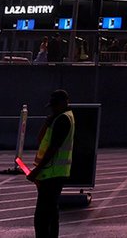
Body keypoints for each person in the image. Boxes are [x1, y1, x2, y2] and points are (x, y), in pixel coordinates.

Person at [27, 89, 75, 238]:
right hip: (53, 172)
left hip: (52, 173)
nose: (53, 108)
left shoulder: (63, 120)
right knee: (51, 213)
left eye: (55, 105)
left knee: (42, 216)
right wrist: (48, 122)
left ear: (64, 103)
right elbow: (41, 140)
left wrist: (37, 171)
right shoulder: (60, 118)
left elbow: (53, 148)